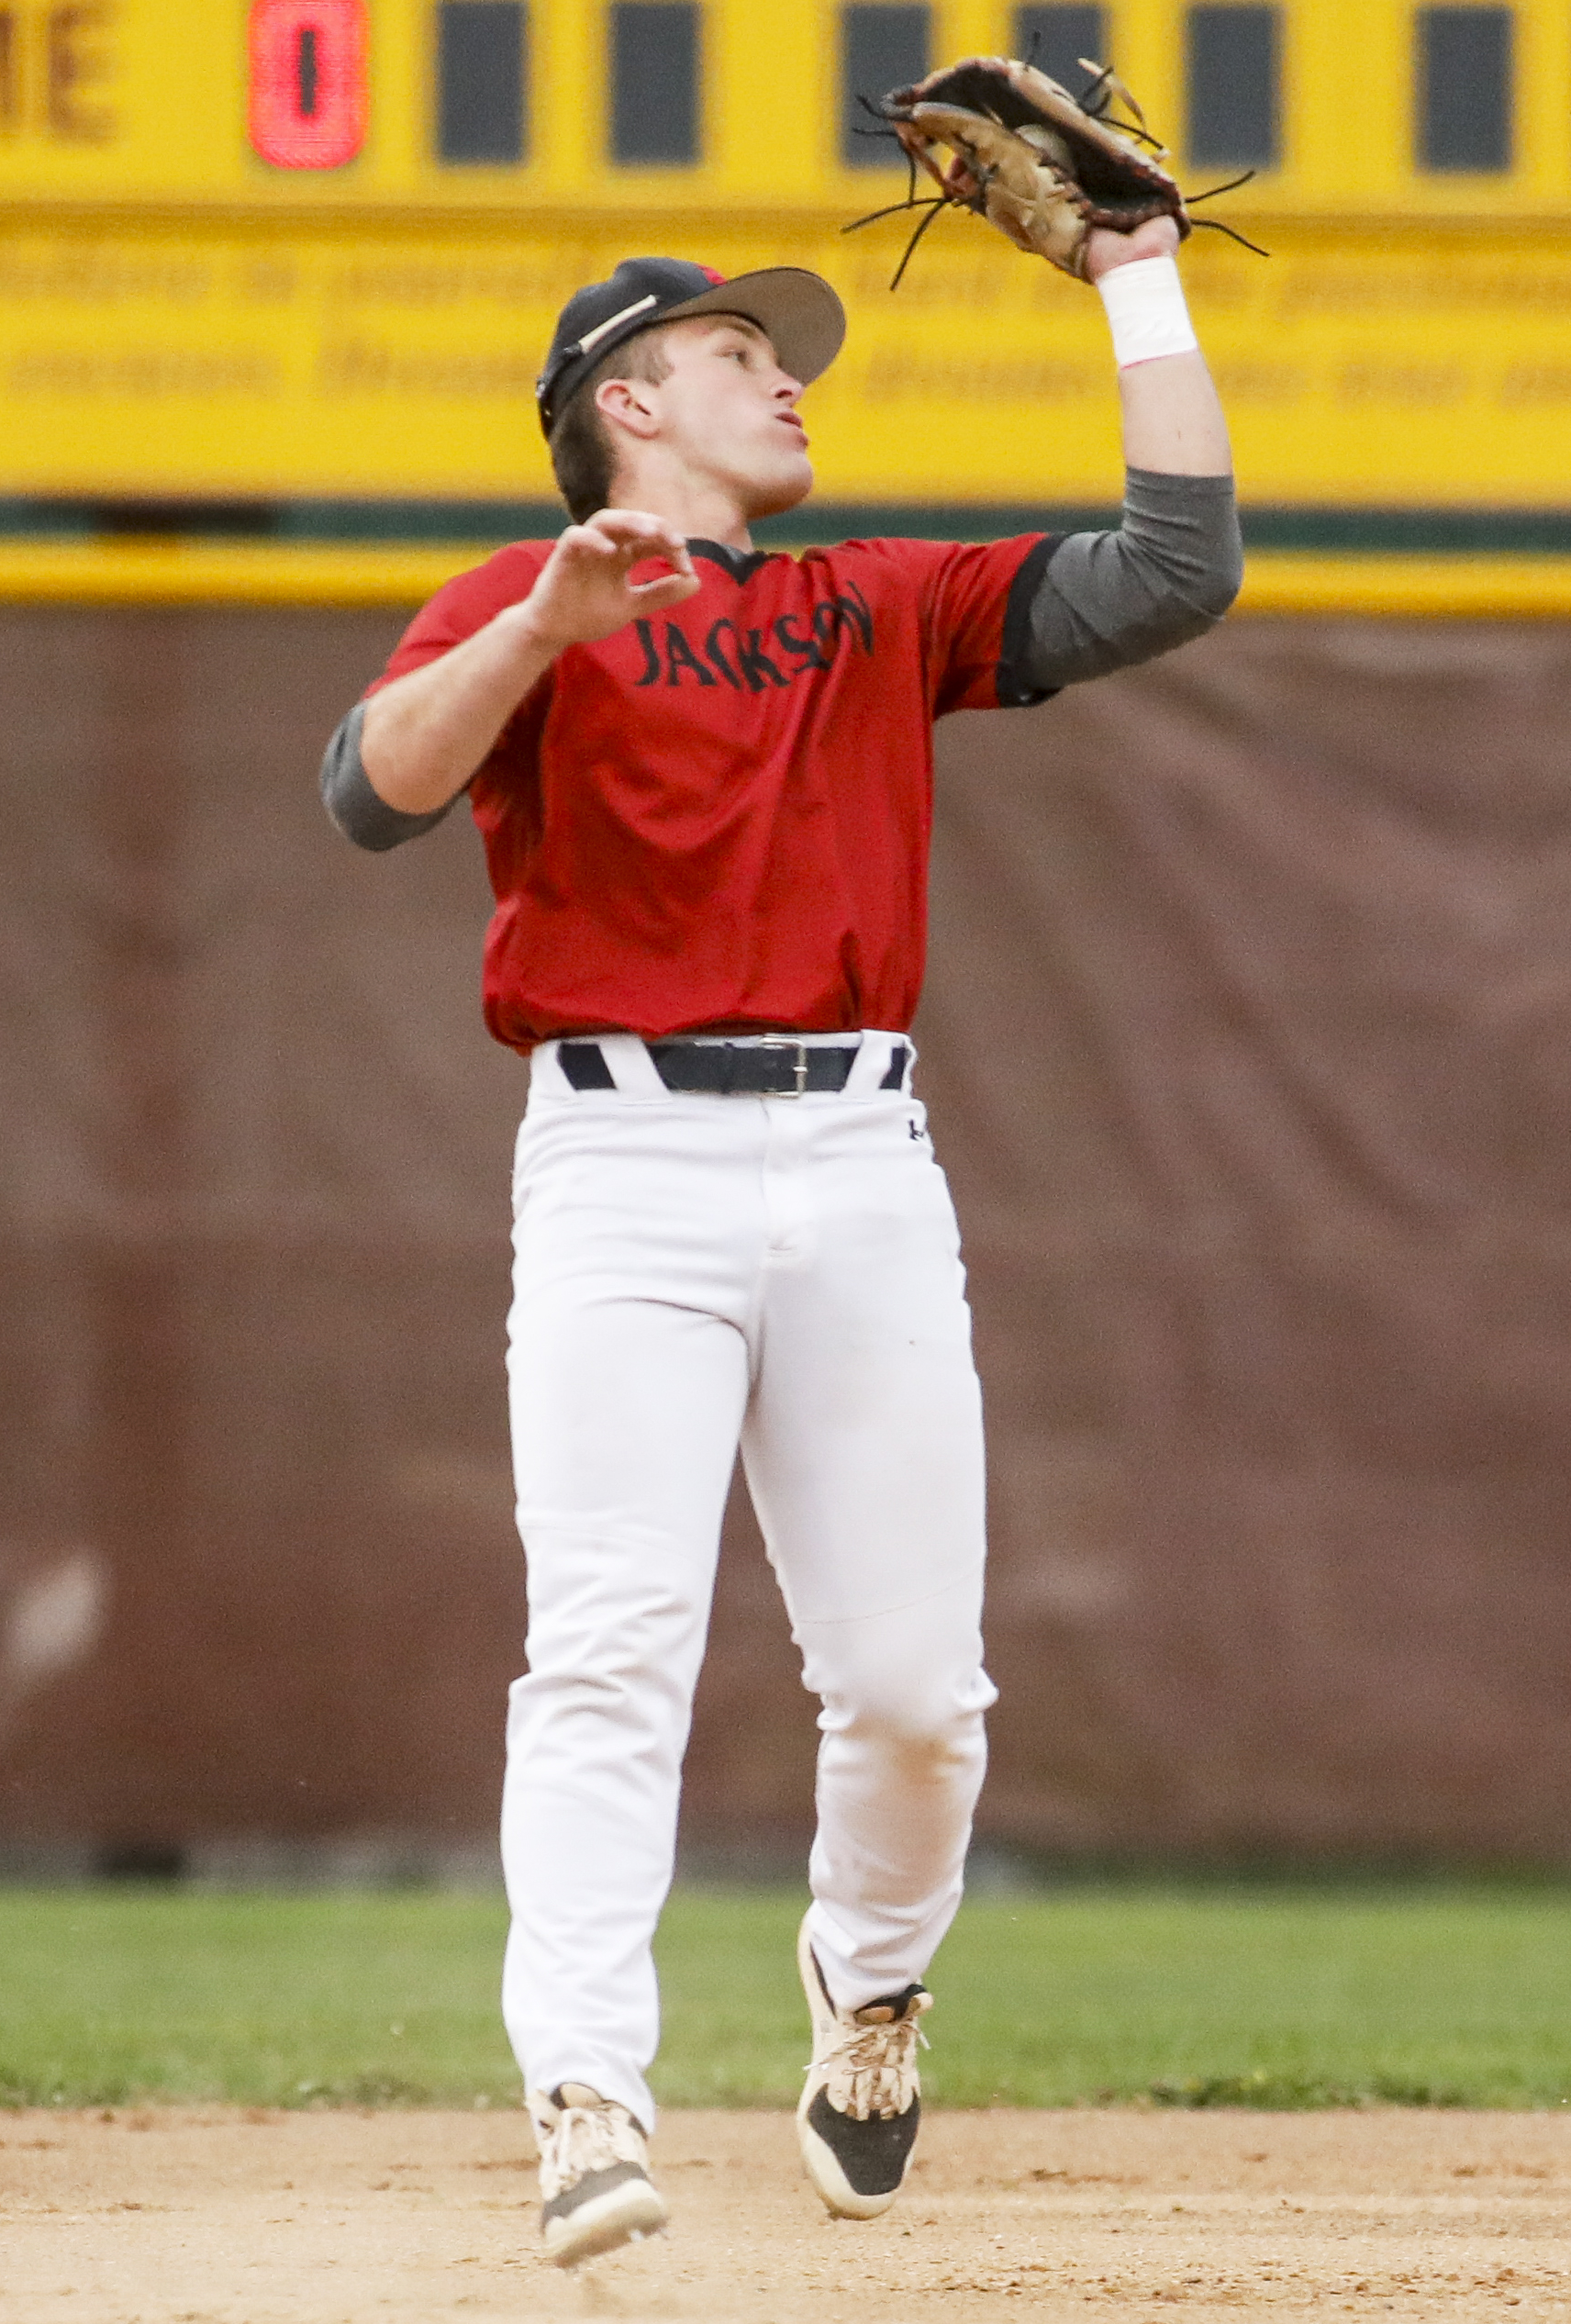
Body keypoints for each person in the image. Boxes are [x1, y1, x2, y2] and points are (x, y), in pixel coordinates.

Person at [320, 225, 1238, 2261]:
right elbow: (367, 793)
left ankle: (871, 1981)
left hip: (859, 1155)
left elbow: (1180, 568)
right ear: (622, 404)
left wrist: (1138, 279)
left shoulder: (870, 606)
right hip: (621, 1166)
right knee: (609, 1651)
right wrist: (541, 632)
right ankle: (583, 2090)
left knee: (917, 1691)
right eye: (739, 351)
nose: (789, 377)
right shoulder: (515, 600)